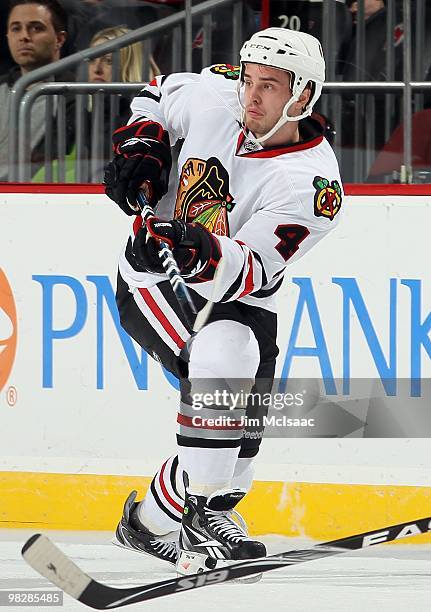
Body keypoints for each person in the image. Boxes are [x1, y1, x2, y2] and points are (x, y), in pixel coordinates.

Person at [104, 27, 343, 575]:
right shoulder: (221, 91)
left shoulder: (312, 184)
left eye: (270, 87)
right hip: (151, 280)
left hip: (238, 290)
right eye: (250, 80)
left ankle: (146, 523)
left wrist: (199, 249)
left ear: (303, 96)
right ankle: (202, 514)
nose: (251, 97)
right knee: (225, 356)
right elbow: (159, 93)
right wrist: (144, 141)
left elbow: (251, 270)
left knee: (233, 460)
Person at [0, 0, 74, 182]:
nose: (24, 36)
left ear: (60, 39)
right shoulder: (1, 88)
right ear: (8, 36)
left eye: (36, 28)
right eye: (16, 28)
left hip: (40, 198)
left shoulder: (78, 93)